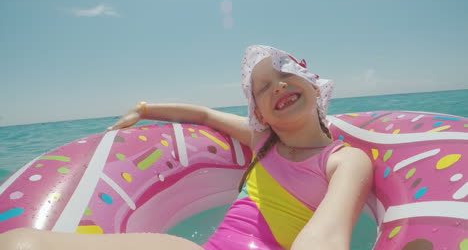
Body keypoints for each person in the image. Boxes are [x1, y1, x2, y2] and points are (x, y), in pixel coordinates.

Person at [1, 45, 373, 250]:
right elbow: (205, 115)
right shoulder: (262, 141)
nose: (277, 85)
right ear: (259, 112)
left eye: (285, 74)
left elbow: (326, 236)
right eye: (262, 87)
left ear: (312, 85)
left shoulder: (344, 160)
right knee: (21, 244)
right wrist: (144, 109)